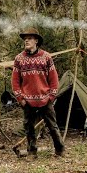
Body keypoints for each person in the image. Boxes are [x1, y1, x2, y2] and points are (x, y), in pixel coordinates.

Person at [12, 27, 65, 158]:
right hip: (27, 101)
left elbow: (54, 78)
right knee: (29, 128)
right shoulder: (19, 59)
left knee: (53, 126)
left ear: (36, 41)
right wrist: (20, 98)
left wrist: (51, 96)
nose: (26, 41)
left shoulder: (46, 57)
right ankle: (31, 152)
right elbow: (15, 81)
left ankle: (60, 150)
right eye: (25, 39)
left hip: (45, 99)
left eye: (29, 38)